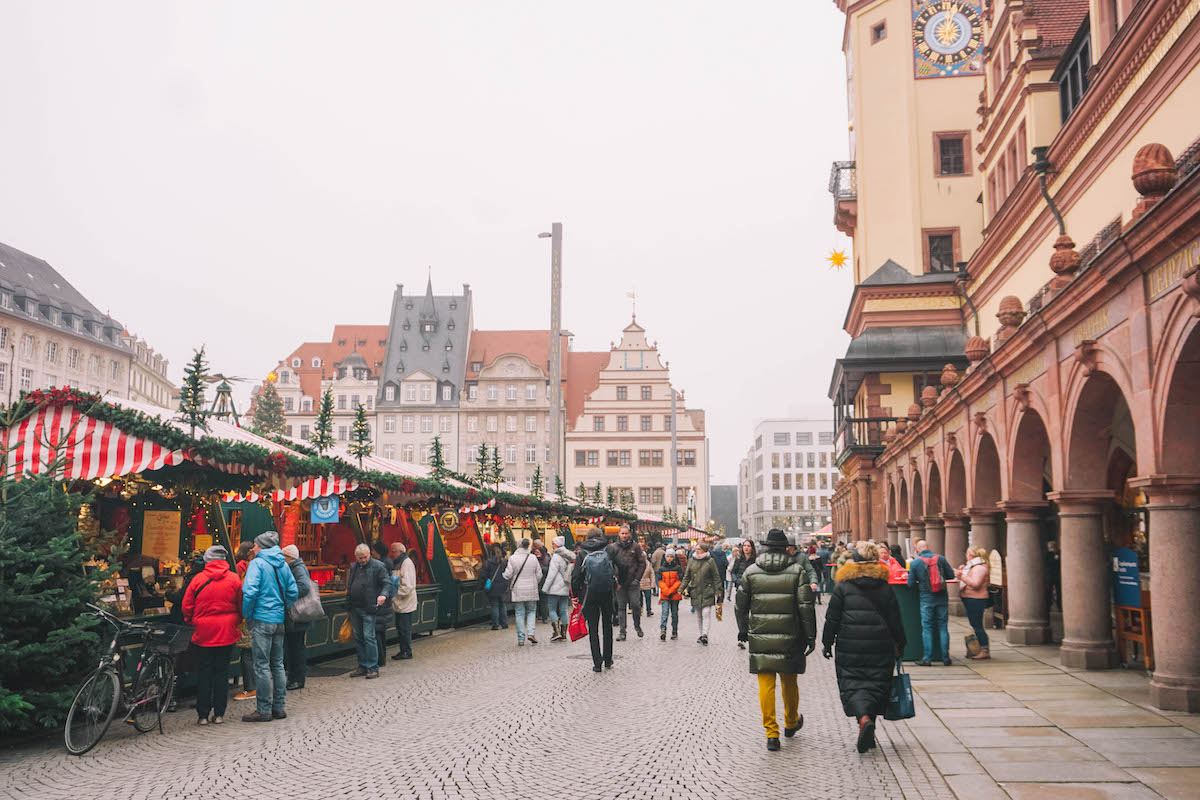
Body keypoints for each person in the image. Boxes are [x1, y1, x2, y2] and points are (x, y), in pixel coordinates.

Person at [735, 529, 817, 751]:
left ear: (765, 548)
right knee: (789, 681)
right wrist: (811, 636)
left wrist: (743, 631)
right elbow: (806, 607)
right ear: (785, 549)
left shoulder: (751, 572)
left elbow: (740, 606)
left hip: (760, 634)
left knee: (765, 682)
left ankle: (771, 733)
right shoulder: (798, 571)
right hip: (791, 636)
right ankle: (791, 722)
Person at [822, 542, 906, 753]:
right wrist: (901, 643)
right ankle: (870, 727)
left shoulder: (842, 586)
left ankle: (863, 720)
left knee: (853, 684)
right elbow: (895, 619)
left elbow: (832, 618)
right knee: (876, 683)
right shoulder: (884, 586)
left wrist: (826, 642)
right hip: (880, 644)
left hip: (850, 644)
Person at [240, 531, 298, 722]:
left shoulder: (257, 563)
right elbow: (293, 591)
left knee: (262, 666)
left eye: (256, 544)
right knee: (278, 665)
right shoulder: (282, 563)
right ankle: (279, 708)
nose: (253, 548)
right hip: (279, 620)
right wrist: (282, 607)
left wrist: (247, 614)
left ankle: (263, 709)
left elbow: (249, 591)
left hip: (262, 619)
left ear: (262, 546)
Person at [182, 545, 242, 726]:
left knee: (205, 672)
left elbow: (187, 606)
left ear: (207, 560)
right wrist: (236, 619)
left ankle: (202, 715)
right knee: (222, 672)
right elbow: (241, 603)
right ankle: (219, 713)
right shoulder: (233, 579)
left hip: (204, 632)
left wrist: (192, 621)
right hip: (226, 631)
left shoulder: (198, 579)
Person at [572, 527, 618, 672]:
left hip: (589, 593)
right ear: (600, 536)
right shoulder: (609, 549)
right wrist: (617, 582)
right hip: (607, 592)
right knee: (607, 625)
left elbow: (575, 577)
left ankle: (597, 663)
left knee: (593, 627)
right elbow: (621, 566)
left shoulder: (582, 552)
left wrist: (575, 596)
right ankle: (608, 660)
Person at [346, 543, 394, 679]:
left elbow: (387, 583)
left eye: (365, 557)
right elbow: (350, 585)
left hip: (369, 607)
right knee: (359, 638)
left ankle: (373, 667)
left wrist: (383, 595)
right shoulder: (354, 566)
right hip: (355, 607)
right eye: (360, 558)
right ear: (356, 557)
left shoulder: (378, 566)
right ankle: (362, 666)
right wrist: (348, 605)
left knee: (369, 637)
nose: (362, 560)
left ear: (369, 555)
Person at [907, 538, 955, 666]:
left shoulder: (915, 563)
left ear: (917, 550)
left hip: (926, 598)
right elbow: (950, 576)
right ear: (928, 547)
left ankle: (927, 658)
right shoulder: (941, 559)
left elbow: (910, 584)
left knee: (927, 628)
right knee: (943, 627)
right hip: (942, 597)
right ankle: (946, 657)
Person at [607, 525, 648, 641]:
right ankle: (622, 631)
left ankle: (637, 625)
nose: (624, 536)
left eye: (626, 534)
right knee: (621, 607)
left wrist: (637, 579)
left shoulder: (635, 547)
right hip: (619, 583)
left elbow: (642, 563)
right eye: (622, 533)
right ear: (619, 534)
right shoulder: (613, 547)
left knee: (635, 605)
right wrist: (613, 577)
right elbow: (609, 563)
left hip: (633, 582)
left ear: (629, 534)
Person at [281, 544, 313, 691]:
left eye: (284, 556)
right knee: (293, 647)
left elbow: (304, 587)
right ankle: (293, 677)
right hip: (295, 615)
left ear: (289, 557)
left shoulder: (298, 568)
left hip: (298, 614)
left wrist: (288, 595)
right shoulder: (294, 567)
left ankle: (298, 679)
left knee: (296, 648)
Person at [680, 540, 722, 645]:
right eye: (696, 548)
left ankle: (705, 634)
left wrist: (718, 590)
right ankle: (701, 634)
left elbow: (716, 577)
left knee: (706, 613)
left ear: (704, 550)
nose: (696, 550)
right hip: (695, 590)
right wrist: (681, 588)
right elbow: (687, 576)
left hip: (708, 590)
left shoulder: (710, 561)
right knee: (699, 614)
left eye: (699, 549)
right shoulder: (691, 561)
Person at [503, 538, 544, 646]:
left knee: (520, 613)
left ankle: (521, 639)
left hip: (518, 590)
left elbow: (508, 574)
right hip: (532, 589)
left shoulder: (513, 558)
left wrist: (504, 576)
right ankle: (531, 633)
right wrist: (534, 582)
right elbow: (539, 574)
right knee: (531, 611)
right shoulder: (533, 558)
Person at [956, 546, 991, 660]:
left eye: (966, 554)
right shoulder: (972, 567)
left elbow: (975, 584)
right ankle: (979, 648)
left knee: (977, 625)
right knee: (975, 624)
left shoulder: (979, 568)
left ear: (971, 555)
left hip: (976, 599)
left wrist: (962, 575)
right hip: (971, 598)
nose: (965, 556)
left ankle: (984, 650)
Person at [232, 541, 256, 701]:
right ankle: (253, 686)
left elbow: (245, 593)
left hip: (249, 617)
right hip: (257, 616)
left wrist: (243, 613)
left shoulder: (249, 569)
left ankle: (251, 688)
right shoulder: (252, 568)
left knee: (247, 653)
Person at [541, 536, 575, 642]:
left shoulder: (556, 557)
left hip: (554, 588)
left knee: (552, 609)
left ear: (557, 545)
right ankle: (564, 633)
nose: (552, 545)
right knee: (564, 610)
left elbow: (552, 574)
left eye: (553, 543)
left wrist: (545, 588)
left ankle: (557, 631)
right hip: (565, 586)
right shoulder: (568, 556)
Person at [389, 541, 417, 661]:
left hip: (405, 602)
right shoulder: (399, 563)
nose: (392, 554)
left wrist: (395, 595)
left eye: (393, 551)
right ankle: (403, 650)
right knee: (401, 627)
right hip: (400, 603)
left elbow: (408, 585)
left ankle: (406, 651)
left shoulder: (406, 563)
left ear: (401, 552)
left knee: (404, 628)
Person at [370, 541, 393, 667]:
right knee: (381, 632)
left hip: (380, 603)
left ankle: (379, 658)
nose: (372, 552)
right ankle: (381, 657)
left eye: (373, 550)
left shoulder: (381, 565)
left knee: (377, 632)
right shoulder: (388, 562)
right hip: (385, 603)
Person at [656, 548, 684, 640]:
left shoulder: (678, 568)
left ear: (674, 558)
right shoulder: (661, 569)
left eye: (671, 556)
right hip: (665, 594)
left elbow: (679, 580)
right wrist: (666, 591)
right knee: (665, 612)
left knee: (674, 613)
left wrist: (671, 590)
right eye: (667, 556)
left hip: (674, 594)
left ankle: (674, 630)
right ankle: (663, 629)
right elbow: (660, 581)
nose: (669, 558)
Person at [481, 544, 510, 630]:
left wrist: (482, 584)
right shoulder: (504, 561)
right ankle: (504, 623)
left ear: (491, 552)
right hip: (503, 585)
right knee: (502, 604)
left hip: (492, 586)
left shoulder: (488, 562)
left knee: (494, 605)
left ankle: (495, 624)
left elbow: (483, 574)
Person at [729, 540, 757, 605]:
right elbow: (733, 572)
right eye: (744, 546)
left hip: (752, 589)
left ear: (752, 548)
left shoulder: (755, 560)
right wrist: (736, 580)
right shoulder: (738, 559)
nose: (746, 548)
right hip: (740, 588)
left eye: (748, 546)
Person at [531, 538, 551, 623]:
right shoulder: (547, 557)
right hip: (542, 581)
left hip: (541, 582)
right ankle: (542, 616)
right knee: (541, 600)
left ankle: (543, 616)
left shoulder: (534, 559)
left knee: (542, 600)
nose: (536, 552)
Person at [1045, 539, 1061, 611]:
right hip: (1051, 576)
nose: (1052, 549)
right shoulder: (1048, 554)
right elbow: (1048, 563)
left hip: (1058, 575)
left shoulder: (1058, 553)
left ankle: (1059, 606)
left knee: (1059, 591)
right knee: (1049, 591)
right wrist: (1055, 559)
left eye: (1053, 547)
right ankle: (1048, 606)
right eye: (1051, 547)